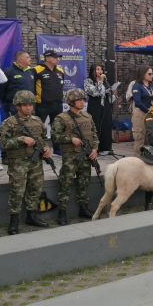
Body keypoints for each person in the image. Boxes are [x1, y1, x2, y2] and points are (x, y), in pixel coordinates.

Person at [0, 90, 53, 233]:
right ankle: (13, 221)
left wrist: (47, 147)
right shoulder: (9, 123)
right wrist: (21, 139)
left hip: (36, 162)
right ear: (17, 106)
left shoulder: (37, 121)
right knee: (17, 192)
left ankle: (31, 216)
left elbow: (45, 138)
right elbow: (2, 142)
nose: (28, 107)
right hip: (18, 163)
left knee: (35, 190)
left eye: (30, 105)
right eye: (25, 105)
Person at [52, 88, 99, 221]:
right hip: (71, 157)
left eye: (83, 99)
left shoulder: (87, 116)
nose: (82, 102)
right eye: (78, 100)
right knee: (65, 184)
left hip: (86, 156)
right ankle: (62, 212)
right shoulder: (61, 118)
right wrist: (70, 139)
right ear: (71, 102)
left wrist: (95, 149)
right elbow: (55, 136)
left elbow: (95, 135)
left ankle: (83, 208)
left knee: (83, 183)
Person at [33, 50, 65, 151]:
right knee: (39, 127)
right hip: (42, 104)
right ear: (47, 58)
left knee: (57, 127)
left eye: (58, 57)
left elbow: (61, 85)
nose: (57, 59)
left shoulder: (60, 71)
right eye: (55, 57)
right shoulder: (36, 70)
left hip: (57, 104)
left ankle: (57, 148)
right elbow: (32, 86)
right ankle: (38, 147)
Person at [84, 64, 114, 155]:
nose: (100, 71)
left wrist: (113, 92)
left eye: (101, 69)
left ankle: (104, 147)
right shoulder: (88, 81)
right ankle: (94, 148)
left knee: (105, 125)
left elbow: (108, 95)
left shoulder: (105, 81)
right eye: (97, 69)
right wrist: (100, 82)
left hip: (105, 106)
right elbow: (96, 93)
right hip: (95, 105)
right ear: (93, 71)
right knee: (95, 126)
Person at [0, 50, 35, 117]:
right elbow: (1, 89)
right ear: (21, 59)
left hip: (29, 106)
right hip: (13, 106)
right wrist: (7, 102)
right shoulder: (9, 71)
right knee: (14, 126)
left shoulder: (30, 72)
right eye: (27, 57)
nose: (30, 59)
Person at [131, 65, 153, 156]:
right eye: (149, 74)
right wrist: (148, 111)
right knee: (140, 137)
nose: (151, 75)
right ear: (142, 74)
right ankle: (137, 159)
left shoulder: (152, 85)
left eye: (152, 73)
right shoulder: (137, 85)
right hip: (141, 112)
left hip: (151, 112)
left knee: (149, 137)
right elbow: (137, 101)